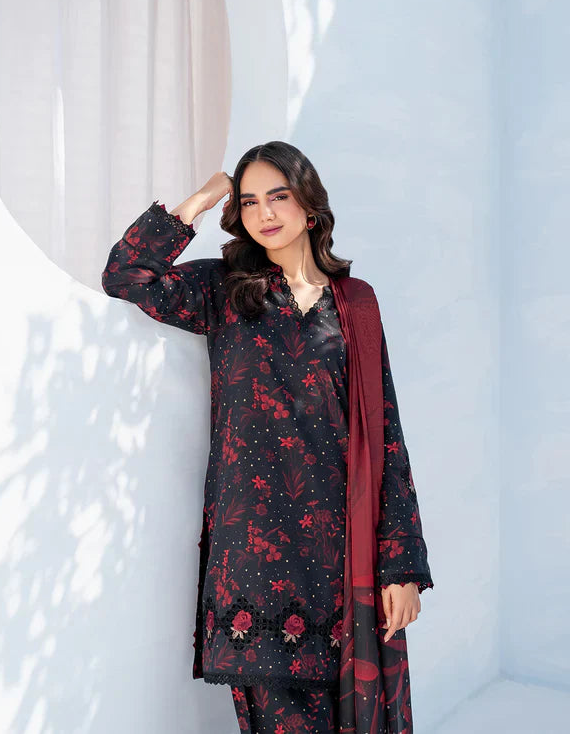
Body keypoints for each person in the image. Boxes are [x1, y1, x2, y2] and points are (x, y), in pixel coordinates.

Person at [101, 141, 434, 734]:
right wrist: (201, 200)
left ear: (310, 205)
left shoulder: (355, 304)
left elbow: (387, 437)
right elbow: (126, 274)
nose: (265, 212)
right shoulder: (226, 290)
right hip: (253, 558)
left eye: (278, 195)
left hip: (340, 555)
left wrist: (400, 566)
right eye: (250, 200)